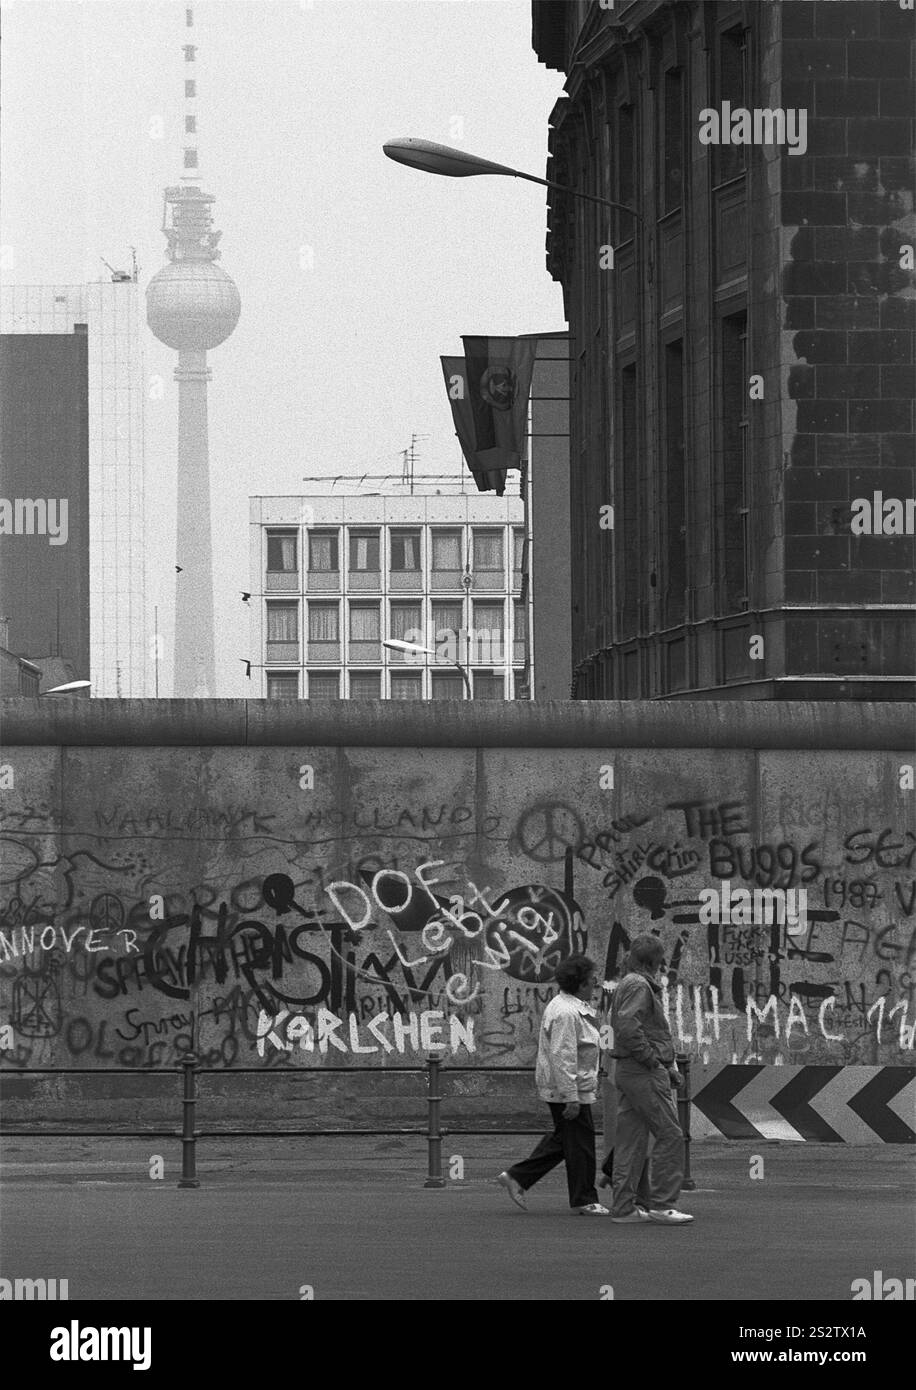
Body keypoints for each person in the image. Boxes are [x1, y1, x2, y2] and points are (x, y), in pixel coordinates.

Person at [498, 955, 608, 1215]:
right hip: (568, 1089)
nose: (596, 983)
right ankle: (584, 1199)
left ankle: (518, 1177)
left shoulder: (568, 1007)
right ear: (581, 984)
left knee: (566, 1140)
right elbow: (563, 1055)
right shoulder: (566, 1013)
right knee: (580, 1144)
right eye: (592, 980)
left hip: (570, 1086)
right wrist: (571, 1096)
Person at [609, 934, 694, 1226]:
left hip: (630, 1070)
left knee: (631, 1140)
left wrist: (661, 1066)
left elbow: (632, 1027)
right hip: (642, 1070)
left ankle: (623, 1207)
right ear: (656, 962)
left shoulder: (629, 984)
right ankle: (663, 1204)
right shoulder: (639, 986)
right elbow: (629, 1028)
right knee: (670, 1134)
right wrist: (654, 1063)